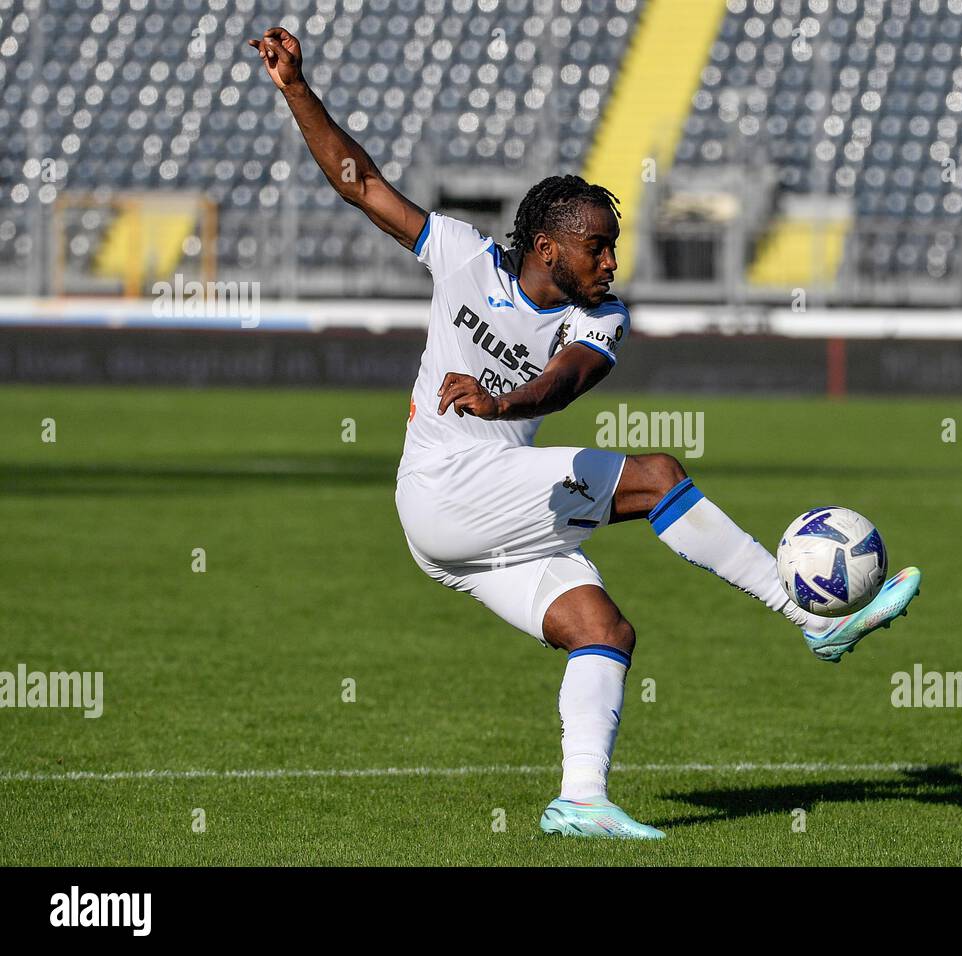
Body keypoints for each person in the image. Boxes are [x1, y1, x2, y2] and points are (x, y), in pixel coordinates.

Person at [249, 27, 921, 840]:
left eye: (612, 247)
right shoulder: (461, 256)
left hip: (477, 521)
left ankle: (582, 800)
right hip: (441, 490)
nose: (610, 262)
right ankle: (805, 613)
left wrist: (504, 405)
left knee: (603, 631)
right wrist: (295, 88)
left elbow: (567, 383)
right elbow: (362, 185)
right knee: (657, 475)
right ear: (547, 247)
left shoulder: (601, 317)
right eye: (596, 247)